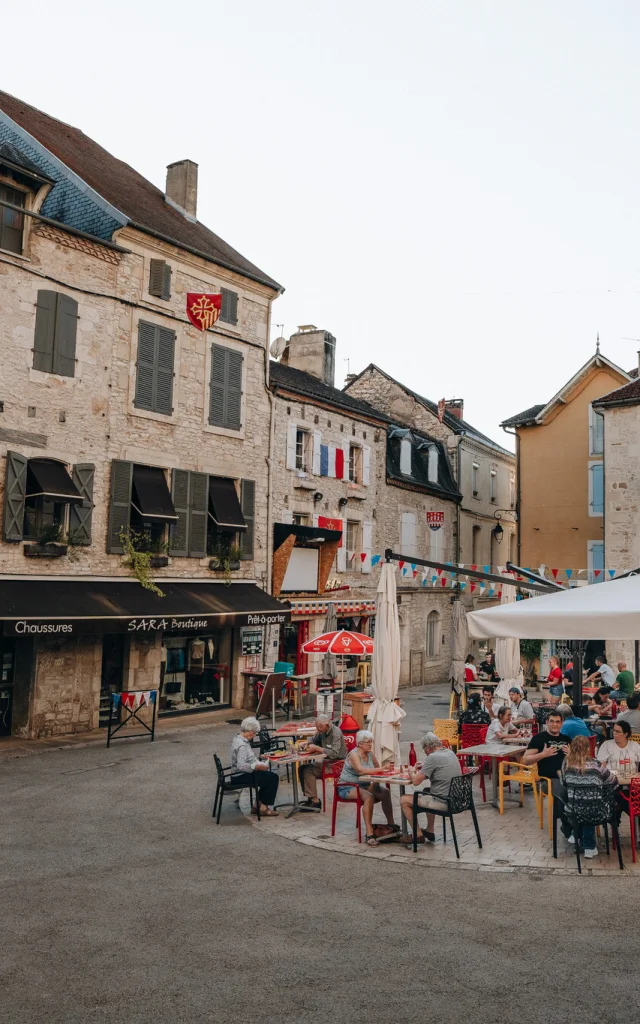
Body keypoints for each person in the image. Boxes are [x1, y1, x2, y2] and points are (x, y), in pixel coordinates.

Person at [558, 736, 618, 859]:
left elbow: (564, 783)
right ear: (588, 748)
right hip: (597, 811)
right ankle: (589, 847)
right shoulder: (595, 764)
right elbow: (613, 781)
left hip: (574, 810)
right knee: (591, 804)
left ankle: (576, 835)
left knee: (580, 805)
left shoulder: (566, 763)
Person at [337, 730, 398, 846]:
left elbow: (377, 768)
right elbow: (361, 770)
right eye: (368, 742)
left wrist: (376, 780)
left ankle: (391, 825)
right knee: (368, 797)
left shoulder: (370, 754)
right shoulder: (354, 754)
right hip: (347, 787)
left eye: (371, 742)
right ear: (359, 743)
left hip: (364, 785)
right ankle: (369, 833)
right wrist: (380, 770)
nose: (370, 744)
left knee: (385, 792)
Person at [399, 732, 461, 845]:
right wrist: (425, 766)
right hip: (458, 800)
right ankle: (429, 830)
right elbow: (438, 766)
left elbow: (416, 781)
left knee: (404, 799)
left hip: (443, 802)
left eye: (424, 749)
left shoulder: (433, 757)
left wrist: (412, 771)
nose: (425, 752)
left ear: (428, 747)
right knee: (427, 790)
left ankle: (418, 835)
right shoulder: (450, 752)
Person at [230, 717, 280, 816]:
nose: (254, 735)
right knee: (272, 778)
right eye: (254, 732)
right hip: (240, 776)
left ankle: (257, 806)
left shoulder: (238, 739)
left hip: (239, 774)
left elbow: (247, 759)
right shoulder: (242, 745)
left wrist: (258, 763)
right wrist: (255, 766)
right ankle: (263, 808)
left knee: (269, 776)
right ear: (248, 730)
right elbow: (241, 765)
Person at [300, 714, 347, 808]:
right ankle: (310, 798)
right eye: (317, 726)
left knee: (308, 770)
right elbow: (314, 740)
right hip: (327, 762)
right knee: (302, 768)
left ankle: (315, 801)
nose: (318, 729)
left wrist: (317, 748)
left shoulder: (336, 733)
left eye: (320, 726)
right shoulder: (321, 731)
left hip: (337, 764)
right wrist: (307, 743)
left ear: (327, 725)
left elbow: (334, 753)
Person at [522, 709, 570, 780]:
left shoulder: (566, 739)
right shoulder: (539, 738)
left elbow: (580, 760)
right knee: (564, 789)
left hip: (568, 777)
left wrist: (571, 754)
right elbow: (525, 760)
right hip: (549, 780)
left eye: (557, 722)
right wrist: (543, 754)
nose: (554, 724)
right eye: (552, 721)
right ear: (547, 722)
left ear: (562, 723)